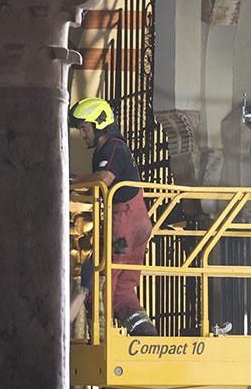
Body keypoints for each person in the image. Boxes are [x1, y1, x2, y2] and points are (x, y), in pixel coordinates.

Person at [68, 97, 159, 336]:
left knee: (103, 280)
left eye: (84, 128)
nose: (82, 134)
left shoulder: (113, 147)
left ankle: (102, 338)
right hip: (135, 222)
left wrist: (71, 181)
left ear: (99, 124)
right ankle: (145, 334)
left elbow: (103, 180)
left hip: (125, 223)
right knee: (124, 289)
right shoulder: (110, 149)